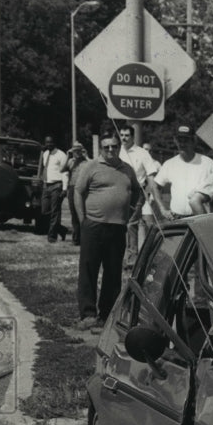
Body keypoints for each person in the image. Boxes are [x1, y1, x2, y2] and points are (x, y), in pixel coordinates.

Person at [73, 133, 139, 332]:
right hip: (93, 225)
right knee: (88, 270)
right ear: (101, 148)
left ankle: (105, 316)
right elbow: (78, 191)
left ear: (120, 147)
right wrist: (82, 219)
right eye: (106, 147)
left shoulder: (127, 169)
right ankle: (88, 315)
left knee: (113, 273)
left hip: (117, 227)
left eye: (114, 146)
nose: (111, 150)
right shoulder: (91, 167)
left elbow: (136, 190)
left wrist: (131, 212)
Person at [148, 125, 213, 219]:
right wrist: (162, 209)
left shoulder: (207, 163)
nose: (182, 144)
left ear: (194, 141)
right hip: (176, 218)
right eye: (179, 140)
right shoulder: (170, 164)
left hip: (199, 217)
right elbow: (155, 186)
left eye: (186, 140)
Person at [118, 125, 159, 264]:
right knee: (117, 224)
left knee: (131, 224)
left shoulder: (142, 153)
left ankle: (132, 259)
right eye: (121, 135)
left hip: (136, 192)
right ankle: (117, 256)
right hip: (117, 191)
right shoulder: (116, 151)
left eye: (126, 135)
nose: (123, 138)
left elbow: (151, 173)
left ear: (132, 137)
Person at [38, 135, 69, 242]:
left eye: (50, 142)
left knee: (55, 211)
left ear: (54, 143)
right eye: (47, 142)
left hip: (57, 185)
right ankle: (62, 229)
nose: (48, 144)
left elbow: (65, 172)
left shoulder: (61, 155)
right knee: (44, 211)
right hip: (46, 185)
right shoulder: (45, 154)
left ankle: (52, 236)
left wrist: (65, 189)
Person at [63, 142, 88, 246]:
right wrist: (67, 156)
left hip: (83, 187)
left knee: (83, 212)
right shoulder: (70, 161)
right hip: (72, 187)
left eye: (78, 151)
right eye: (74, 151)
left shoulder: (86, 162)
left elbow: (92, 165)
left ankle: (84, 237)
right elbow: (62, 169)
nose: (76, 153)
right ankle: (76, 238)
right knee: (74, 213)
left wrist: (86, 155)